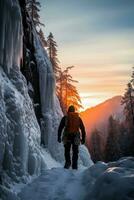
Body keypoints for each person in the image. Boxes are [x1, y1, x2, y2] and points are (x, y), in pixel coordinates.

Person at [58, 105, 86, 169]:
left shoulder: (65, 118)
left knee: (67, 150)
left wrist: (59, 137)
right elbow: (82, 128)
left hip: (67, 136)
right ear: (74, 111)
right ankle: (74, 166)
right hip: (76, 136)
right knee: (75, 152)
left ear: (68, 111)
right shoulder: (78, 118)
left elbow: (60, 128)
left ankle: (68, 162)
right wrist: (83, 138)